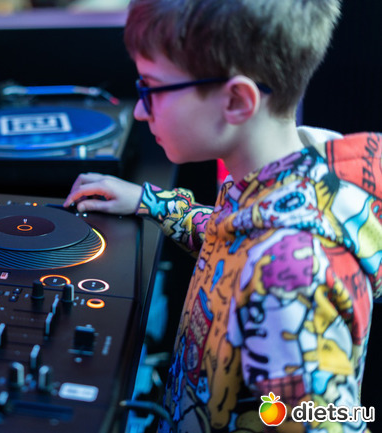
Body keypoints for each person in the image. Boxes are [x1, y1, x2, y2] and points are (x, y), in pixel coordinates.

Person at [64, 0, 380, 431]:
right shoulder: (274, 182)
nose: (139, 110)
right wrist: (150, 201)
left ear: (235, 100)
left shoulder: (290, 283)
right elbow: (228, 236)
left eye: (151, 89)